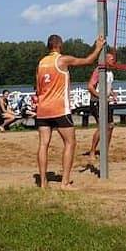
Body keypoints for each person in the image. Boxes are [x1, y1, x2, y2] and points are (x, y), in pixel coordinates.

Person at [35, 33, 105, 189]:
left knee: (43, 144)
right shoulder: (62, 60)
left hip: (43, 109)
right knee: (70, 143)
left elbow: (38, 89)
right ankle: (65, 183)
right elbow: (88, 60)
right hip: (59, 109)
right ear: (59, 45)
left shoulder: (41, 63)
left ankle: (43, 183)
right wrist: (98, 47)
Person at [87, 51, 118, 157]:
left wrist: (113, 94)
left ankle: (105, 151)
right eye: (112, 59)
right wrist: (100, 96)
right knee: (102, 127)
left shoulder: (110, 73)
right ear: (105, 60)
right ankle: (92, 151)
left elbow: (108, 85)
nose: (114, 61)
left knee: (110, 126)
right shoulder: (99, 71)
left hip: (106, 102)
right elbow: (90, 86)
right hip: (96, 102)